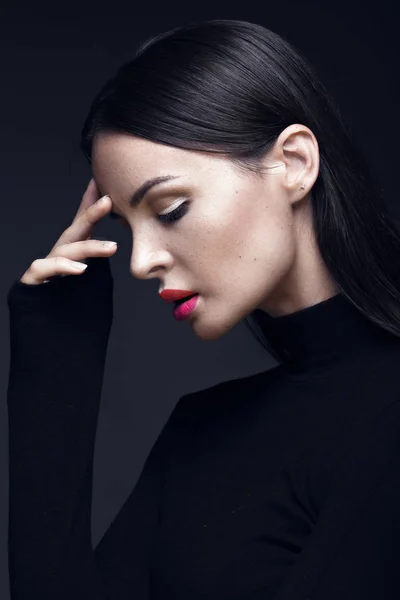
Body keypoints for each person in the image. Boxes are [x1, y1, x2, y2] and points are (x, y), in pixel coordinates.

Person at [6, 18, 400, 600]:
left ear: (293, 163)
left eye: (169, 209)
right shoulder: (201, 431)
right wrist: (54, 358)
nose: (140, 262)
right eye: (127, 227)